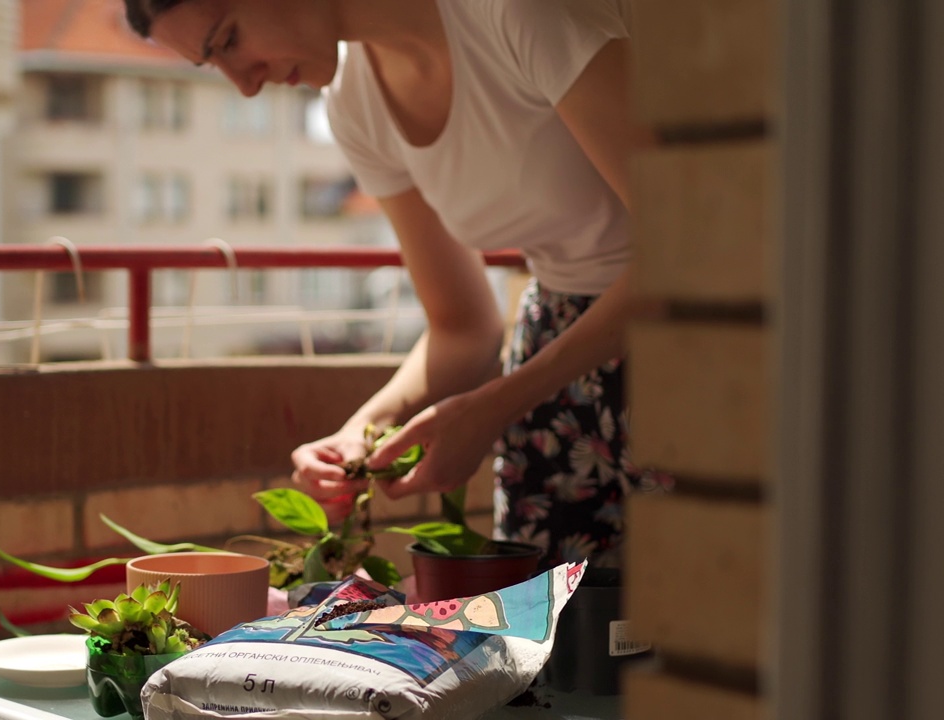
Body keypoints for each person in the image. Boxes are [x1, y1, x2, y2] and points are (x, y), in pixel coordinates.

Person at [124, 0, 671, 570]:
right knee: (564, 638)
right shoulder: (355, 105)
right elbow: (462, 328)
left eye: (229, 39)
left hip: (698, 338)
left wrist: (495, 406)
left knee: (715, 629)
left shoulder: (518, 13)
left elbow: (687, 248)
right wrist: (363, 432)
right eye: (214, 64)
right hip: (555, 361)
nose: (245, 86)